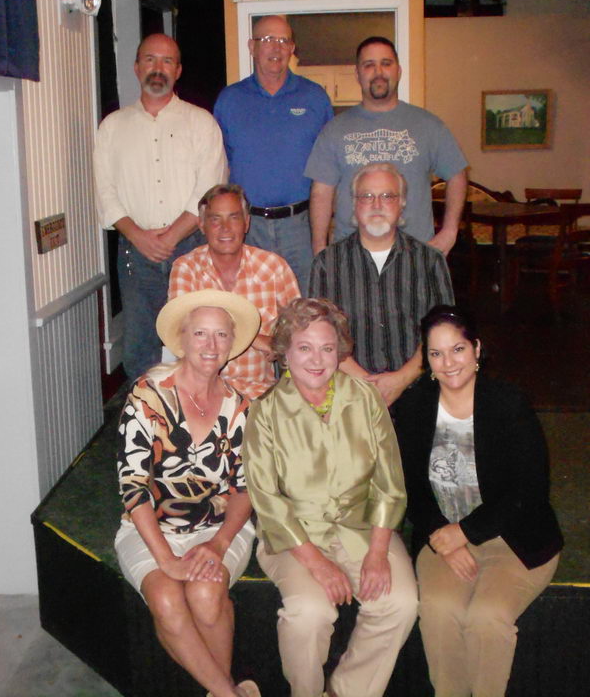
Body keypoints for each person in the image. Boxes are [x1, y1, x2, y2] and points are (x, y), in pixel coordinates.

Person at [243, 297, 418, 697]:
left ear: (340, 351)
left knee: (400, 603)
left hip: (363, 527)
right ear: (285, 353)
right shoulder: (265, 412)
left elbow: (390, 482)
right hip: (295, 538)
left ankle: (344, 691)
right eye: (304, 347)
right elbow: (267, 500)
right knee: (309, 612)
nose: (317, 359)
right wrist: (318, 565)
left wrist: (377, 553)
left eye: (327, 347)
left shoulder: (366, 398)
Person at [393, 304, 563, 697]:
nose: (448, 362)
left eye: (457, 349)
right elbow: (409, 487)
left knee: (487, 618)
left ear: (476, 349)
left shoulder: (508, 404)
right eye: (436, 353)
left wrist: (465, 531)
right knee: (438, 611)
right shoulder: (416, 406)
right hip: (443, 538)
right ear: (427, 361)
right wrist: (442, 535)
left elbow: (528, 490)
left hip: (514, 538)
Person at [114, 289, 262, 697]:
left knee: (206, 593)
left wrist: (218, 544)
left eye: (220, 335)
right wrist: (167, 559)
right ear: (182, 339)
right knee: (165, 599)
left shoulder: (241, 407)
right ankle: (230, 692)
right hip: (148, 528)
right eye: (200, 334)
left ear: (232, 344)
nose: (211, 346)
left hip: (219, 527)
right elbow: (133, 487)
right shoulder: (147, 395)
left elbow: (245, 488)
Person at [94, 33, 227, 381]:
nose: (158, 68)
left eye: (167, 61)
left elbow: (209, 190)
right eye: (150, 59)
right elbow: (105, 192)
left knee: (199, 341)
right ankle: (149, 426)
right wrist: (139, 237)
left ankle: (198, 423)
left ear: (179, 70)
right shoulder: (112, 128)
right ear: (137, 67)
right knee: (141, 347)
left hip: (191, 247)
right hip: (136, 251)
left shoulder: (201, 123)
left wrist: (171, 237)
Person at [306, 35, 468, 256]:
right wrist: (319, 247)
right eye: (369, 65)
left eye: (386, 64)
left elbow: (457, 175)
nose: (378, 72)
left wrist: (449, 232)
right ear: (358, 74)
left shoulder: (428, 125)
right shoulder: (334, 130)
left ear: (398, 71)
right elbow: (321, 192)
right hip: (352, 258)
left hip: (414, 255)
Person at [309, 162, 454, 406]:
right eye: (367, 196)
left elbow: (445, 333)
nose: (377, 205)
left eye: (387, 196)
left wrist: (400, 379)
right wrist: (366, 383)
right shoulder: (327, 263)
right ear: (354, 205)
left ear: (402, 204)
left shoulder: (430, 261)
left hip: (418, 389)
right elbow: (319, 335)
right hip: (349, 390)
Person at [214, 15, 333, 294]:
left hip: (301, 228)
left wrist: (322, 236)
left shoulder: (314, 98)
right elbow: (219, 166)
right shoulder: (229, 100)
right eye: (267, 40)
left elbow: (330, 168)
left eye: (283, 41)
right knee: (249, 310)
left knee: (306, 309)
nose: (276, 48)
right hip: (247, 227)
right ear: (251, 46)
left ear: (292, 49)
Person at [168, 184, 300, 399]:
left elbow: (298, 330)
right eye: (215, 219)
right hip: (200, 391)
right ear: (202, 225)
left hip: (258, 393)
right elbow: (180, 336)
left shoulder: (273, 267)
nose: (225, 228)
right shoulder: (186, 268)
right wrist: (255, 339)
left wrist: (279, 345)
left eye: (234, 217)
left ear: (247, 222)